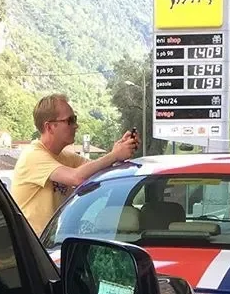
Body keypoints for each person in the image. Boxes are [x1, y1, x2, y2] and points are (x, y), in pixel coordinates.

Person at [11, 93, 139, 236]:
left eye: (75, 119)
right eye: (70, 120)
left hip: (47, 245)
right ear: (50, 127)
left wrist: (121, 148)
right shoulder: (33, 156)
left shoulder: (64, 157)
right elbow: (76, 177)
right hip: (31, 246)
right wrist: (115, 154)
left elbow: (100, 172)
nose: (76, 126)